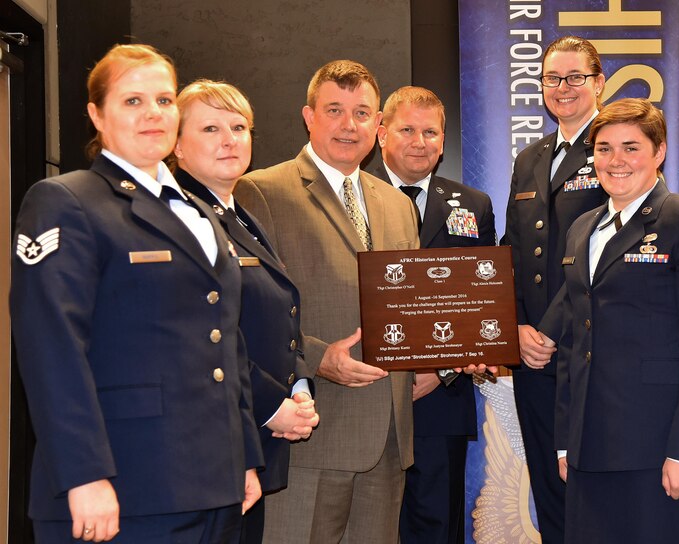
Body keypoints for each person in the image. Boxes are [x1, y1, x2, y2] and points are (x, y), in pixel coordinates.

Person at [10, 44, 263, 543]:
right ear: (96, 114)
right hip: (125, 486)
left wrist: (246, 457)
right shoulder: (66, 200)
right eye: (132, 101)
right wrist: (83, 475)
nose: (153, 114)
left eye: (164, 100)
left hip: (215, 485)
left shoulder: (199, 210)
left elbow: (225, 342)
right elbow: (51, 348)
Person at [233, 60, 420, 544]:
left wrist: (452, 344)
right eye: (334, 110)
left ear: (377, 125)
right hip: (313, 430)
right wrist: (318, 358)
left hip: (390, 437)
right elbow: (249, 313)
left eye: (361, 113)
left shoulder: (397, 204)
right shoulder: (262, 192)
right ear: (308, 116)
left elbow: (414, 304)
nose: (348, 124)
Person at [551, 98, 679, 542]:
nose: (615, 161)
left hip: (659, 448)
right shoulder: (581, 229)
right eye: (604, 148)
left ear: (660, 152)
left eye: (631, 148)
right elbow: (576, 341)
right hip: (588, 448)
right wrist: (564, 439)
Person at [172, 79, 320, 544]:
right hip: (209, 444)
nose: (229, 139)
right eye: (211, 128)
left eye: (239, 126)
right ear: (176, 144)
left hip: (250, 437)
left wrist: (297, 385)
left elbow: (278, 313)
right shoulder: (181, 219)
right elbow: (200, 335)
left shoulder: (237, 215)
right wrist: (271, 404)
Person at [374, 86, 496, 543]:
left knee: (436, 526)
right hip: (366, 397)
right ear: (382, 133)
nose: (419, 141)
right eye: (407, 129)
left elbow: (484, 303)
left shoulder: (474, 205)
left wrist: (440, 368)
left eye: (431, 131)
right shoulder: (350, 197)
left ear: (444, 141)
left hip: (440, 398)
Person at [501, 35, 608, 542]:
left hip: (589, 348)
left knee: (591, 487)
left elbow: (602, 254)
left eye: (574, 77)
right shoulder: (530, 158)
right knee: (548, 482)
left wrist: (545, 330)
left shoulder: (612, 148)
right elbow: (514, 250)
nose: (562, 88)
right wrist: (514, 327)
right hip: (531, 354)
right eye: (551, 78)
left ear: (599, 83)